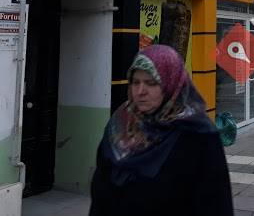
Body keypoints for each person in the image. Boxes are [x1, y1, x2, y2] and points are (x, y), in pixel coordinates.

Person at [89, 45, 233, 216]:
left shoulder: (198, 134)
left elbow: (216, 204)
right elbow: (101, 186)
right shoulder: (121, 123)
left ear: (171, 85)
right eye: (135, 82)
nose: (140, 91)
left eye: (151, 83)